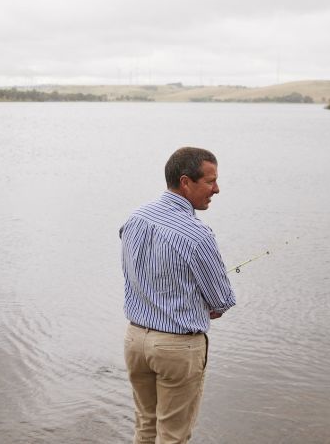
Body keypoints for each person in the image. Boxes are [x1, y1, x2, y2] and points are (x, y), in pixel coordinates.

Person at [120, 146, 236, 444]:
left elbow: (138, 274)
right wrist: (208, 305)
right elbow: (221, 301)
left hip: (135, 341)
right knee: (173, 436)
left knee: (145, 426)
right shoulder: (198, 235)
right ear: (186, 182)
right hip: (176, 348)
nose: (217, 189)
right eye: (210, 181)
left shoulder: (134, 219)